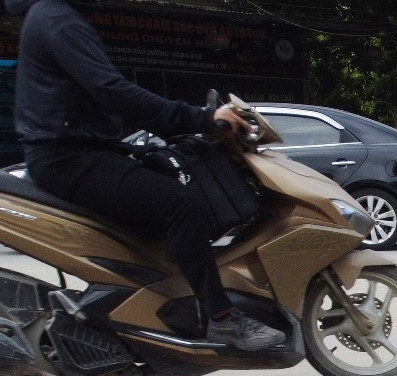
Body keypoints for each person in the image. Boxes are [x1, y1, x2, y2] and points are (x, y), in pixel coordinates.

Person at [6, 0, 286, 351]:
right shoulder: (55, 17)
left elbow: (105, 100)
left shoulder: (53, 16)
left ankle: (161, 305)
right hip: (69, 159)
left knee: (164, 183)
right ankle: (222, 319)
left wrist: (180, 126)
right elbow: (111, 90)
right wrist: (199, 117)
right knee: (181, 205)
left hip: (79, 152)